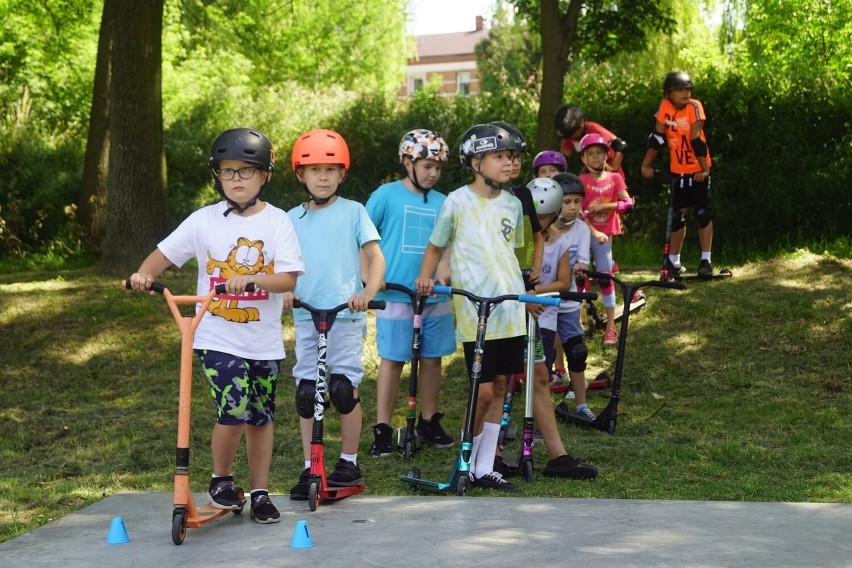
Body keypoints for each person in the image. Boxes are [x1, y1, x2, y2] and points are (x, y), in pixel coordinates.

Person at [128, 128, 304, 524]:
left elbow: (289, 279)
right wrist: (143, 274)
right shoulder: (203, 221)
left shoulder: (278, 223)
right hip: (216, 335)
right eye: (228, 172)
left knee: (261, 417)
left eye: (246, 171)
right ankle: (221, 480)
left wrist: (254, 279)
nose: (237, 179)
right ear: (218, 176)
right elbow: (163, 256)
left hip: (264, 342)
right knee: (234, 407)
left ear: (265, 176)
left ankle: (259, 491)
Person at [285, 129, 386, 500]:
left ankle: (348, 460)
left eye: (331, 169)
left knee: (343, 390)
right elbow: (282, 265)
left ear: (342, 174)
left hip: (345, 316)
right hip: (306, 315)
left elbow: (375, 258)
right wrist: (285, 292)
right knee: (307, 392)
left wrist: (367, 293)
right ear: (301, 175)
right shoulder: (290, 218)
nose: (323, 177)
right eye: (315, 170)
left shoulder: (354, 211)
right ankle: (310, 464)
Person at [365, 129, 457, 457]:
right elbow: (363, 237)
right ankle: (383, 428)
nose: (433, 173)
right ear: (407, 163)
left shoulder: (444, 202)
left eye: (438, 168)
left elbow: (448, 245)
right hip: (395, 294)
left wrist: (442, 273)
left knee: (433, 359)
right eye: (427, 166)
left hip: (434, 296)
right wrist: (370, 279)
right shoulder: (386, 195)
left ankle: (429, 421)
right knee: (392, 360)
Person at [524, 177, 600, 477]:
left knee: (541, 375)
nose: (541, 223)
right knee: (499, 383)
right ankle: (489, 453)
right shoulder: (524, 238)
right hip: (511, 315)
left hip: (542, 316)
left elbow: (558, 281)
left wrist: (533, 294)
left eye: (546, 217)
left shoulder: (556, 240)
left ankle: (557, 455)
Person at [640, 71, 715, 277]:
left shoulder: (694, 106)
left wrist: (704, 169)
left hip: (698, 167)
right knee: (676, 216)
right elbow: (658, 138)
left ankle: (706, 261)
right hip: (678, 170)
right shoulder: (665, 107)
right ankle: (673, 262)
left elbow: (696, 139)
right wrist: (646, 164)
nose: (686, 93)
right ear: (668, 93)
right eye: (680, 89)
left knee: (701, 213)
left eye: (688, 89)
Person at [548, 172, 596, 420]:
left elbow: (583, 261)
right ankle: (539, 409)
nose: (573, 207)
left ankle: (581, 406)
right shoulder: (543, 230)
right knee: (541, 357)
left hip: (569, 302)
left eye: (577, 202)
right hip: (544, 304)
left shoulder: (582, 229)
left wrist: (581, 268)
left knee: (577, 352)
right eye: (567, 202)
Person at [578, 133, 635, 345]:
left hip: (606, 235)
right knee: (581, 279)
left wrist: (605, 206)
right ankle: (579, 321)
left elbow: (628, 203)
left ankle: (611, 327)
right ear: (583, 158)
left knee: (604, 278)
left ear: (606, 156)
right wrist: (592, 229)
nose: (595, 157)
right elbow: (577, 211)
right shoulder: (581, 180)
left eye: (599, 153)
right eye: (590, 154)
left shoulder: (614, 178)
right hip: (585, 234)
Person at [490, 120, 544, 289]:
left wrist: (536, 267)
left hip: (525, 278)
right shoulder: (485, 198)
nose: (514, 163)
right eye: (506, 156)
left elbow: (538, 236)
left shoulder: (524, 194)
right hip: (497, 281)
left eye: (518, 157)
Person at [553, 104, 627, 176]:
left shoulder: (594, 129)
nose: (570, 137)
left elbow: (620, 146)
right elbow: (562, 160)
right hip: (593, 177)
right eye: (567, 135)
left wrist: (612, 171)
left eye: (571, 133)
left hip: (612, 177)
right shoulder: (570, 137)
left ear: (581, 122)